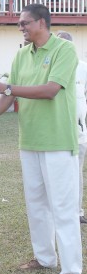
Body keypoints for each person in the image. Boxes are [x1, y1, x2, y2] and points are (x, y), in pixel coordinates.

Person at [0, 3, 83, 274]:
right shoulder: (21, 54)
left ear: (42, 23)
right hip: (29, 141)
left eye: (25, 23)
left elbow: (50, 90)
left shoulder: (64, 50)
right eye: (19, 24)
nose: (20, 28)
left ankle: (70, 271)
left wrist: (6, 88)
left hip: (58, 141)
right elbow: (7, 97)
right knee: (36, 206)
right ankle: (45, 258)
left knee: (64, 209)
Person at [56, 31, 87, 224]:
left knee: (77, 172)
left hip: (80, 132)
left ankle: (78, 211)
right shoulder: (51, 68)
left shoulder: (83, 68)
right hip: (57, 131)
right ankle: (59, 212)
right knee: (58, 173)